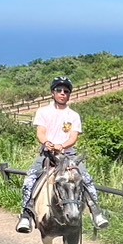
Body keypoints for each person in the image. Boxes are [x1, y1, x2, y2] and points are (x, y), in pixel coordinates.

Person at [15, 77, 110, 233]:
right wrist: (46, 142)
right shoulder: (43, 111)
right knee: (30, 179)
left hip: (69, 154)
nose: (62, 93)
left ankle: (96, 212)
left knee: (86, 178)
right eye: (59, 90)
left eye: (66, 91)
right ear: (53, 92)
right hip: (48, 155)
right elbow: (40, 132)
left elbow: (73, 137)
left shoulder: (73, 115)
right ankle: (27, 214)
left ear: (69, 94)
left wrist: (62, 145)